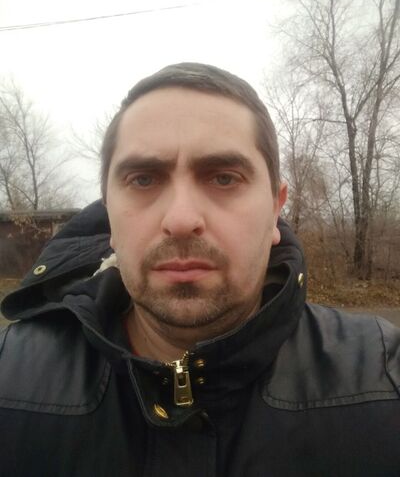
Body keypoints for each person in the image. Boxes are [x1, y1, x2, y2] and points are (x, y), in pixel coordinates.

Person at [0, 63, 399, 477]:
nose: (181, 219)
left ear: (275, 209)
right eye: (143, 180)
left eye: (224, 178)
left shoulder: (383, 382)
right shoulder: (10, 379)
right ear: (109, 216)